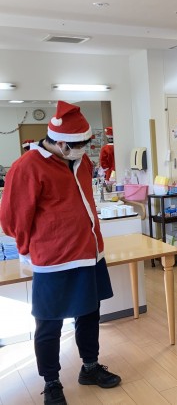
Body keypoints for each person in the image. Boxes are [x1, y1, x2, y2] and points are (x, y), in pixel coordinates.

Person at [0, 101, 121, 405]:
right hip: (54, 260)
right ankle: (51, 381)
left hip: (89, 253)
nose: (84, 150)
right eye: (79, 145)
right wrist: (30, 250)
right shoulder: (27, 167)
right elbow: (12, 220)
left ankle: (90, 367)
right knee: (49, 322)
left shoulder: (81, 160)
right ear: (61, 142)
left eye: (86, 144)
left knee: (89, 313)